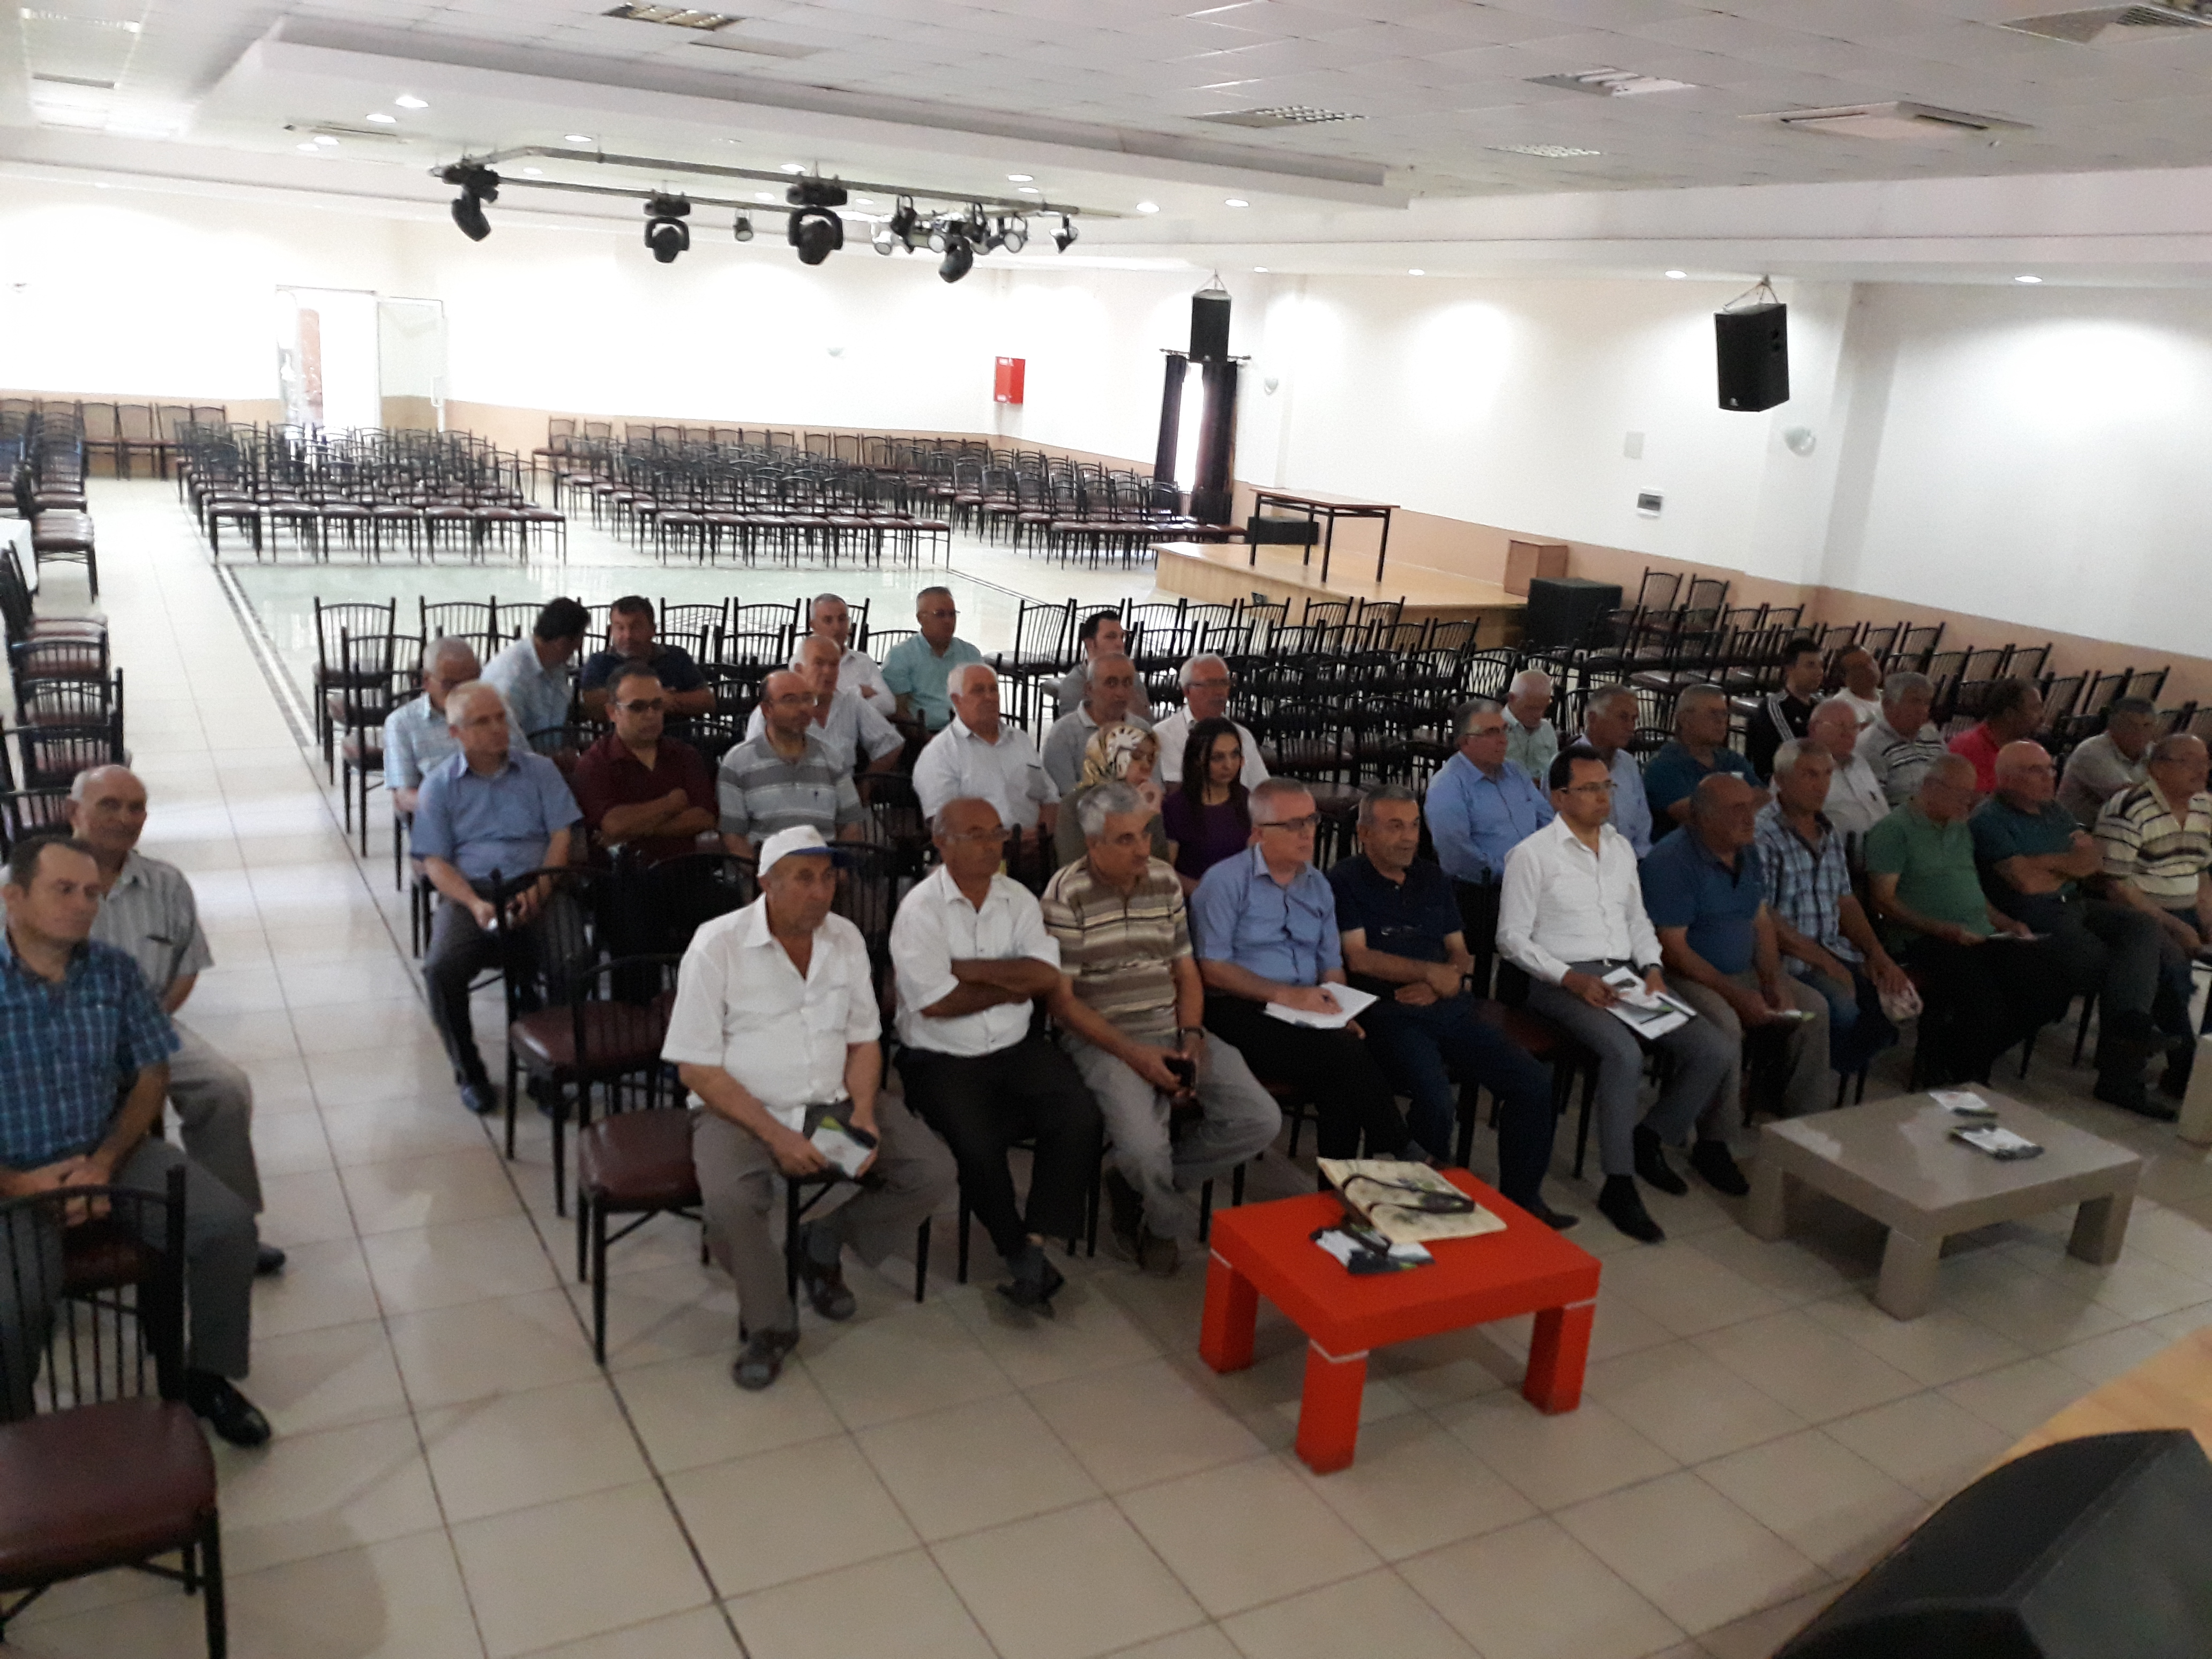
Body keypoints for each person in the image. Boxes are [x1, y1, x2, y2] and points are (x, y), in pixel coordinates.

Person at [664, 826, 957, 1391]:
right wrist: (777, 1135)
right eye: (804, 879)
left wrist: (867, 1112)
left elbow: (864, 1041)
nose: (821, 892)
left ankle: (822, 1241)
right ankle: (770, 1326)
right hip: (739, 1110)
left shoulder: (844, 938)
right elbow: (696, 1068)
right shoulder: (716, 945)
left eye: (828, 879)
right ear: (766, 883)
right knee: (731, 1199)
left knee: (930, 1169)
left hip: (830, 1101)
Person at [0, 836, 268, 1445]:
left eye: (92, 893)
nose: (83, 905)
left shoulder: (113, 970)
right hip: (12, 1174)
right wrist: (22, 1184)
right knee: (16, 1309)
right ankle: (15, 1439)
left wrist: (104, 1162)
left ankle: (208, 1376)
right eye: (63, 890)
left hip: (109, 1152)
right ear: (12, 897)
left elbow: (152, 1074)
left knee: (228, 1229)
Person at [1498, 748, 1737, 1243]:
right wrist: (1571, 979)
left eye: (1607, 786)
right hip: (1559, 982)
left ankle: (1650, 1137)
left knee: (1713, 1048)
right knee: (1623, 1054)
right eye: (1589, 789)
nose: (1603, 797)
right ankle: (1619, 1181)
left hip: (1627, 975)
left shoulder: (1621, 848)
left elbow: (1637, 920)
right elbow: (1512, 940)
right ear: (1558, 796)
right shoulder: (1533, 855)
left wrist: (1651, 966)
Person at [1041, 782, 1279, 1274]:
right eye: (1125, 840)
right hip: (1104, 1038)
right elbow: (1062, 1004)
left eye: (1144, 835)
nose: (1141, 849)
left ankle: (1131, 1186)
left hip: (1172, 1026)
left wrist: (1191, 1035)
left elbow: (1185, 972)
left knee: (1259, 1119)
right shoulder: (1066, 893)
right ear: (1092, 845)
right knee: (1145, 1148)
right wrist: (1135, 1055)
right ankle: (1162, 1222)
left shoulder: (1164, 882)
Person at [69, 766, 283, 1276]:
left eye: (136, 808)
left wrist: (149, 1022)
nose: (125, 818)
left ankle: (234, 1229)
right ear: (74, 812)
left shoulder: (166, 884)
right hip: (65, 1039)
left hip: (149, 1024)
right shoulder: (31, 885)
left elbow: (186, 969)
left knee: (225, 1088)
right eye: (110, 805)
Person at [891, 798, 1102, 1313]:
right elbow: (937, 1003)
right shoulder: (920, 909)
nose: (991, 846)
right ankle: (1014, 1248)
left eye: (998, 834)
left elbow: (1045, 977)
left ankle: (1036, 1241)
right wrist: (1010, 981)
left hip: (1015, 1046)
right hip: (940, 1056)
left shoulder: (1019, 901)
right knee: (978, 1144)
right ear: (941, 843)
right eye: (976, 835)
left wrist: (968, 969)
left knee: (1081, 1115)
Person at [1331, 786, 1573, 1228]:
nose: (1409, 837)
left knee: (1532, 1083)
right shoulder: (1345, 879)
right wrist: (1428, 974)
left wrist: (1448, 979)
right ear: (1364, 833)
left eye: (1414, 825)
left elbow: (1460, 952)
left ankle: (1523, 1200)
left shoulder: (1432, 878)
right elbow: (1359, 957)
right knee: (1435, 1098)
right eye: (1394, 826)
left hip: (1448, 1006)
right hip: (1389, 1012)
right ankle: (1419, 1210)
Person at [1191, 780, 1415, 1160]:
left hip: (1306, 1008)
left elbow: (1330, 964)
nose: (1308, 833)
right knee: (1343, 1056)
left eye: (1311, 821)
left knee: (1341, 1075)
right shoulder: (1225, 882)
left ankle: (1341, 1191)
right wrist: (1288, 996)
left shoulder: (1318, 886)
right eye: (1294, 825)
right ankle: (1398, 1146)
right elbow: (1212, 969)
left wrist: (1338, 1009)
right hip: (1241, 1007)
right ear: (1260, 834)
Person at [1971, 740, 2180, 1114]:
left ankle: (2130, 1032)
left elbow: (2094, 861)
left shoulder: (2055, 812)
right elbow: (2028, 884)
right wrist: (2070, 862)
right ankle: (2122, 1071)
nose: (2049, 777)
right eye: (2036, 770)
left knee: (2143, 929)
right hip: (2032, 914)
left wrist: (2048, 864)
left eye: (2050, 768)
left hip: (2076, 903)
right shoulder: (1991, 819)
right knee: (2120, 968)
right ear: (2006, 778)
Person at [412, 682, 585, 1115]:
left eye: (500, 718)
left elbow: (563, 836)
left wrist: (541, 891)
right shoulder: (440, 786)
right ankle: (469, 1071)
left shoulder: (540, 771)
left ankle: (552, 1068)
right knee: (441, 969)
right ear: (456, 733)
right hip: (473, 892)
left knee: (572, 959)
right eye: (482, 722)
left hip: (539, 882)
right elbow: (435, 862)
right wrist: (473, 904)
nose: (496, 729)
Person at [1865, 755, 2073, 1087]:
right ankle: (1962, 1071)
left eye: (1972, 794)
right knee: (1984, 1001)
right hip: (1926, 938)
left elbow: (1971, 890)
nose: (1969, 802)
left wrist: (2006, 922)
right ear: (1931, 787)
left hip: (1980, 933)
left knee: (2049, 987)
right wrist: (1943, 929)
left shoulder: (1959, 827)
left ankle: (1958, 1058)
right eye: (1962, 794)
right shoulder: (1894, 831)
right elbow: (1883, 902)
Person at [1643, 773, 1831, 1130]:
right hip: (1683, 977)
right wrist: (1738, 995)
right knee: (1727, 1024)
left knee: (1814, 1008)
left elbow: (1760, 923)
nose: (1750, 818)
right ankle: (1717, 1139)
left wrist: (1773, 980)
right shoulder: (1671, 861)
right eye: (1737, 810)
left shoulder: (1747, 852)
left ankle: (1804, 1127)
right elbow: (1675, 952)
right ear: (1706, 817)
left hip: (1740, 971)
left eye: (1751, 807)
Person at [1754, 742, 1909, 1076]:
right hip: (1786, 959)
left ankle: (1812, 1073)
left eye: (1827, 775)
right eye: (1809, 774)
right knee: (1842, 1007)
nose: (1821, 785)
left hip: (1832, 949)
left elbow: (1846, 900)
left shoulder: (1828, 832)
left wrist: (1876, 954)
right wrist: (1824, 962)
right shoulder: (1763, 834)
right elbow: (1764, 916)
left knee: (1888, 1006)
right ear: (1781, 780)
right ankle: (1788, 1075)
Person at [2098, 734, 2212, 1100]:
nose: (2203, 769)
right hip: (2139, 914)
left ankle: (2201, 1066)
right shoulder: (2130, 807)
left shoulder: (2205, 806)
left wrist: (2207, 918)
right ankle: (2187, 1069)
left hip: (2188, 908)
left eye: (2206, 761)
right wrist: (2176, 925)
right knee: (2177, 972)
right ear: (2158, 767)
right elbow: (2116, 885)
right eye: (2191, 762)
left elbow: (2202, 871)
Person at [570, 664, 718, 863]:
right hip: (618, 882)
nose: (650, 715)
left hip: (685, 875)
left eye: (657, 705)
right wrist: (673, 803)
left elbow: (705, 817)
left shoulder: (684, 755)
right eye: (637, 707)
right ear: (613, 712)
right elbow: (613, 825)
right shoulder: (595, 763)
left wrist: (632, 831)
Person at [913, 664, 1058, 861]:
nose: (990, 697)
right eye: (979, 691)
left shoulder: (1020, 740)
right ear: (957, 700)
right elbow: (944, 824)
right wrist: (1004, 841)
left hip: (1039, 851)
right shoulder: (940, 754)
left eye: (994, 689)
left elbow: (1050, 798)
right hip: (978, 860)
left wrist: (1041, 836)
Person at [717, 670, 866, 860]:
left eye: (807, 699)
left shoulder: (832, 759)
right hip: (766, 874)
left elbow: (851, 825)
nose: (803, 708)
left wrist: (836, 871)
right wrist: (764, 879)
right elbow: (732, 836)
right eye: (790, 700)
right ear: (767, 710)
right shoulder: (738, 763)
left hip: (821, 871)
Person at [1426, 699, 1555, 885]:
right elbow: (1458, 858)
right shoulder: (1448, 787)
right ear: (1465, 741)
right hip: (1486, 891)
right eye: (1492, 732)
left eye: (1505, 729)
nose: (1503, 740)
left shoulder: (1516, 772)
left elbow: (1547, 820)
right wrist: (1514, 875)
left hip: (1538, 878)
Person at [744, 635, 902, 776]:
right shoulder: (772, 711)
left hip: (841, 793)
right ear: (799, 670)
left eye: (834, 665)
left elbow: (891, 743)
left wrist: (866, 785)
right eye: (819, 664)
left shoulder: (851, 702)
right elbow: (752, 760)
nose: (828, 672)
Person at [386, 636, 480, 817]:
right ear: (426, 681)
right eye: (451, 684)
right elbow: (403, 797)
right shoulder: (402, 723)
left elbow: (523, 768)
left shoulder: (494, 710)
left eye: (472, 682)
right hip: (444, 818)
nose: (462, 692)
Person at [577, 595, 713, 721]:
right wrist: (658, 699)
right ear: (611, 631)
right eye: (620, 628)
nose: (628, 635)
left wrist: (671, 700)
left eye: (636, 627)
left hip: (675, 741)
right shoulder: (600, 662)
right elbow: (594, 705)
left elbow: (707, 701)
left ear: (653, 629)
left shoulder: (676, 657)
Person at [1644, 683, 1760, 829]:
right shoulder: (1663, 767)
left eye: (1724, 714)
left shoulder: (1731, 759)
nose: (1721, 721)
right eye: (1713, 714)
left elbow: (1764, 797)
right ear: (1685, 720)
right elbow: (1695, 815)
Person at [1055, 723, 1169, 870]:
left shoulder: (1146, 801)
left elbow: (1161, 867)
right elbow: (1074, 868)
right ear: (1109, 754)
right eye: (1136, 757)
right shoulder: (1074, 805)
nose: (1146, 767)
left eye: (1150, 759)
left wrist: (1148, 815)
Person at [483, 596, 589, 751]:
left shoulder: (555, 661)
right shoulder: (512, 676)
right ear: (563, 643)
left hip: (549, 755)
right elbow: (508, 743)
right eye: (581, 637)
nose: (580, 645)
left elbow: (559, 713)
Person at [1162, 716, 1252, 894]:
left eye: (1234, 755)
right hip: (1197, 899)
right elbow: (1166, 872)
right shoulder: (1177, 807)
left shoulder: (1245, 799)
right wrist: (1204, 893)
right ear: (1197, 760)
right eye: (1217, 758)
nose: (1229, 765)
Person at [1043, 651, 1150, 795]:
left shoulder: (1142, 730)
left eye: (1127, 683)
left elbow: (1152, 790)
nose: (1120, 692)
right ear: (1089, 689)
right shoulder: (1063, 735)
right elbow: (1066, 800)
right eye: (1111, 683)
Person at [1154, 655, 1268, 789]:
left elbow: (1261, 787)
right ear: (1187, 691)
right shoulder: (1164, 735)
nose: (1219, 692)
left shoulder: (1242, 735)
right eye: (1211, 684)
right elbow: (1179, 791)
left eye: (1224, 683)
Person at [880, 586, 982, 731]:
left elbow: (983, 701)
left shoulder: (970, 655)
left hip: (967, 734)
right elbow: (899, 713)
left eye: (952, 614)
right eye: (940, 614)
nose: (948, 621)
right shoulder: (901, 656)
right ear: (921, 618)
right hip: (920, 737)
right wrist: (932, 742)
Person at [1575, 683, 1652, 856]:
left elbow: (1642, 823)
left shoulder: (1628, 763)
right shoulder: (1568, 765)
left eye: (1634, 719)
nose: (1631, 728)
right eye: (1623, 718)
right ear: (1593, 718)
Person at [2059, 696, 2158, 827]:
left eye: (2147, 726)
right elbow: (2128, 799)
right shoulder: (2092, 752)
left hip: (2122, 828)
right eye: (2131, 726)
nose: (2139, 732)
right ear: (2112, 726)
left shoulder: (2153, 751)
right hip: (2079, 832)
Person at [1806, 697, 1890, 840]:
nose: (1848, 734)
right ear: (1814, 729)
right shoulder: (1800, 769)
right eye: (1840, 726)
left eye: (1854, 727)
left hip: (1887, 848)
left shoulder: (1860, 763)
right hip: (1841, 857)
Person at [1746, 637, 1827, 780]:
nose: (1819, 672)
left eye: (1821, 666)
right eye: (1810, 665)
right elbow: (1794, 752)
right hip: (1785, 779)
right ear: (1790, 669)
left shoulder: (1822, 704)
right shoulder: (1775, 706)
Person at [1862, 670, 1947, 806]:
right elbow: (1874, 806)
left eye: (1926, 703)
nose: (1923, 710)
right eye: (1915, 702)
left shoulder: (1932, 737)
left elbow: (1949, 779)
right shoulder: (1872, 745)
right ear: (1887, 704)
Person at [1052, 610, 1154, 723]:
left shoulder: (1132, 677)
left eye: (1122, 637)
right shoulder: (1075, 684)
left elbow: (1149, 724)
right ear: (1091, 643)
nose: (1120, 644)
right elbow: (1074, 732)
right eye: (1111, 637)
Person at [1949, 677, 2044, 796]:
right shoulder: (1967, 747)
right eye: (2035, 709)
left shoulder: (2033, 751)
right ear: (2010, 715)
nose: (2042, 718)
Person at [806, 592, 890, 708]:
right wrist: (859, 691)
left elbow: (889, 704)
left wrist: (847, 702)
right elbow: (823, 708)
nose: (837, 627)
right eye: (828, 620)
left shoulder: (864, 661)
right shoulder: (803, 663)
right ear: (813, 625)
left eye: (842, 619)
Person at [1504, 669, 1559, 781]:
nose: (1539, 715)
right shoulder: (1495, 729)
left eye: (1543, 708)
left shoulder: (1547, 729)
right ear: (1511, 699)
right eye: (1531, 709)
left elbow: (1556, 770)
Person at [1833, 646, 1884, 731]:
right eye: (1860, 667)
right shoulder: (1841, 706)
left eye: (1871, 661)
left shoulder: (1890, 697)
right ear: (1845, 678)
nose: (1870, 669)